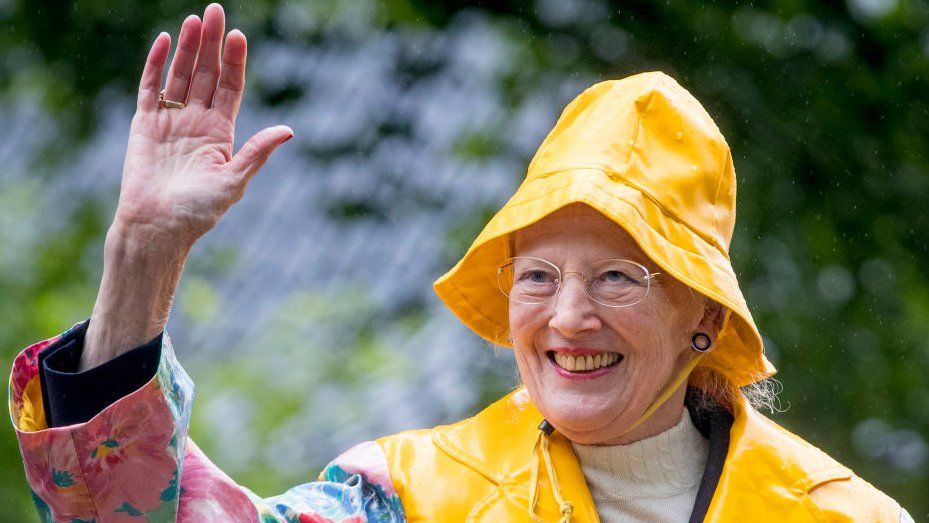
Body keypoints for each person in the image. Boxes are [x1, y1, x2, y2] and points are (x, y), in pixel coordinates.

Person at [8, 4, 913, 522]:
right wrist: (140, 259)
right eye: (537, 275)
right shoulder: (412, 495)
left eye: (616, 276)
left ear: (703, 317)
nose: (567, 318)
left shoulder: (842, 516)